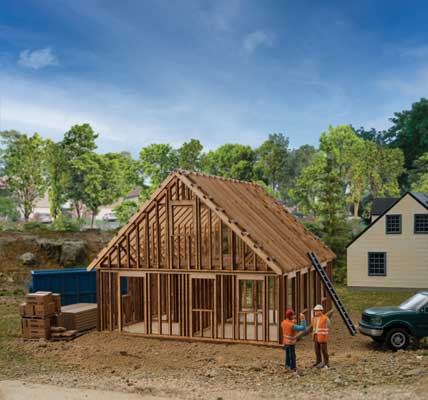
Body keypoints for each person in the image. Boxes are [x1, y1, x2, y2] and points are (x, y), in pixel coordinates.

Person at [281, 309, 306, 374]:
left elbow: (285, 325)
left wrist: (292, 321)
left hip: (285, 342)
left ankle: (287, 365)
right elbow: (303, 328)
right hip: (291, 343)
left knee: (287, 355)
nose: (294, 316)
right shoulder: (292, 326)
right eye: (293, 315)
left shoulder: (283, 322)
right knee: (292, 355)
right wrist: (303, 319)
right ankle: (293, 367)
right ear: (290, 316)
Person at [312, 304, 331, 369]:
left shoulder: (325, 318)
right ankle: (318, 362)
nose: (315, 312)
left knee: (324, 351)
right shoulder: (314, 318)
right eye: (315, 311)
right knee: (317, 350)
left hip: (323, 337)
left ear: (321, 311)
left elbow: (328, 326)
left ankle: (326, 363)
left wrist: (325, 333)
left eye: (317, 311)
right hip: (316, 336)